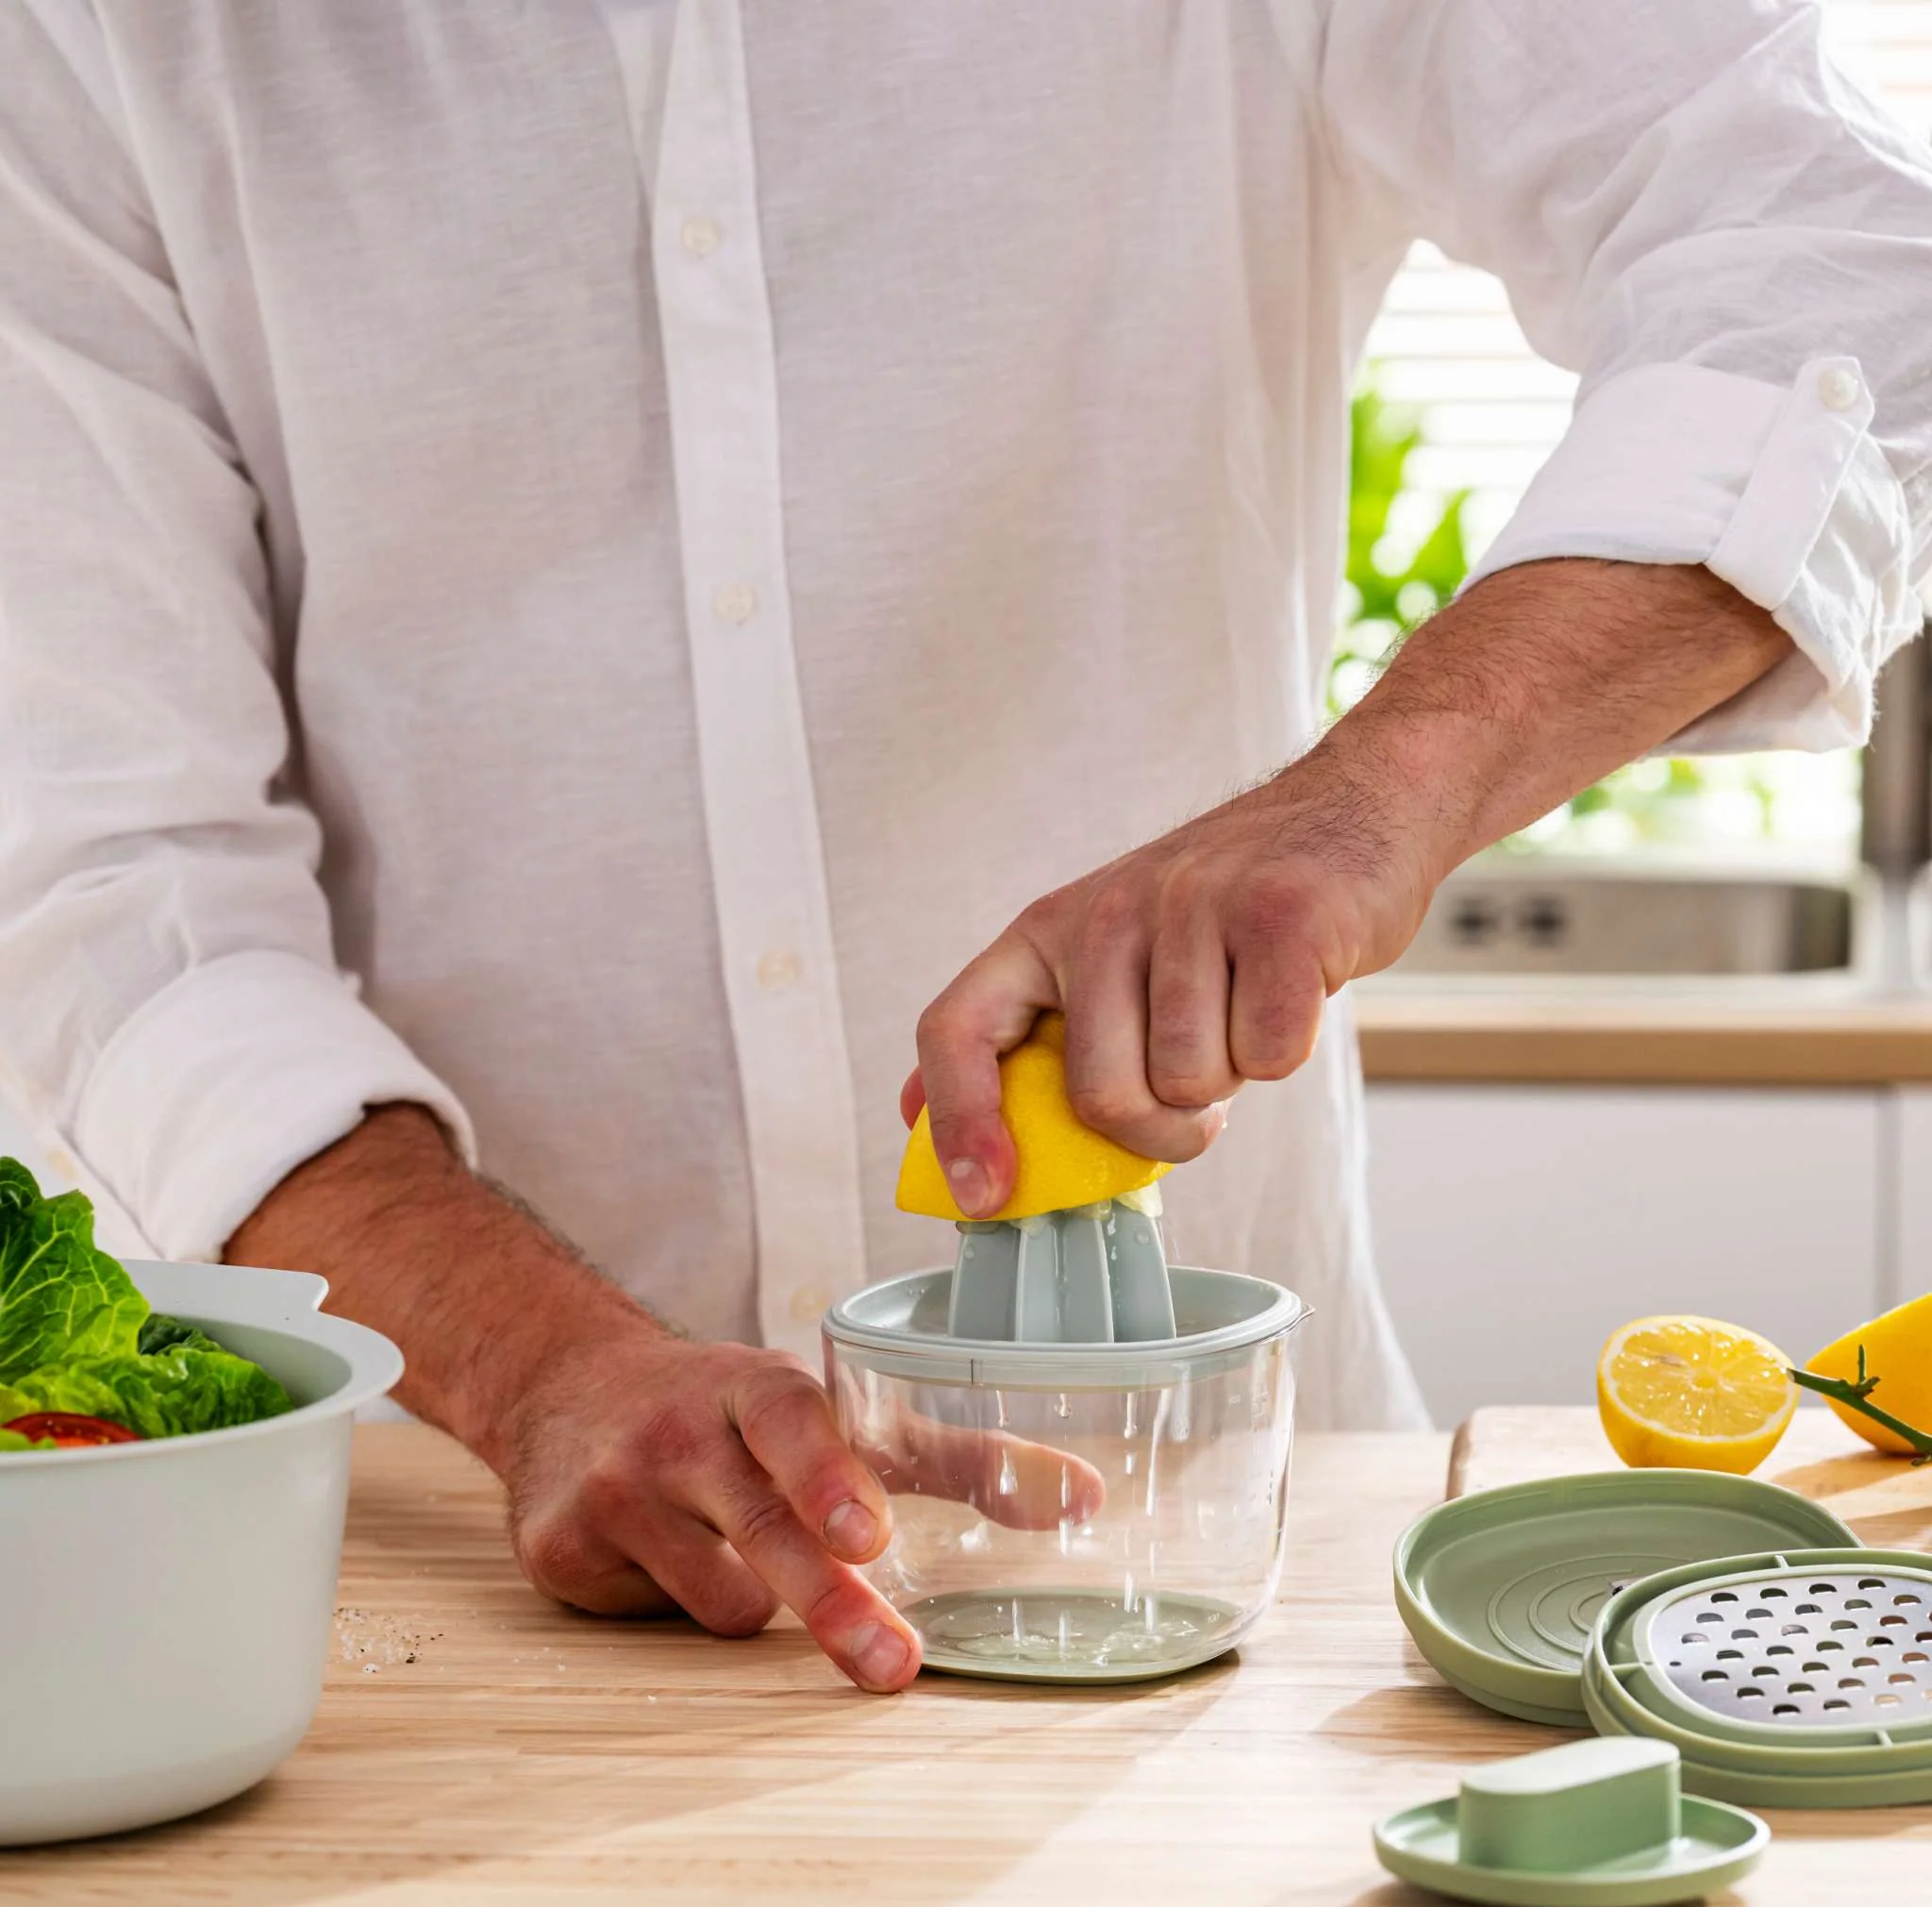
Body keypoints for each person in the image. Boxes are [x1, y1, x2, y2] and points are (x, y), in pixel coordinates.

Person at [1, 1, 1927, 1694]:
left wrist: (1377, 792)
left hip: (1224, 1577)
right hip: (481, 1576)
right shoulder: (98, 35)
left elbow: (1840, 247)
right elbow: (115, 891)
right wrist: (537, 1367)